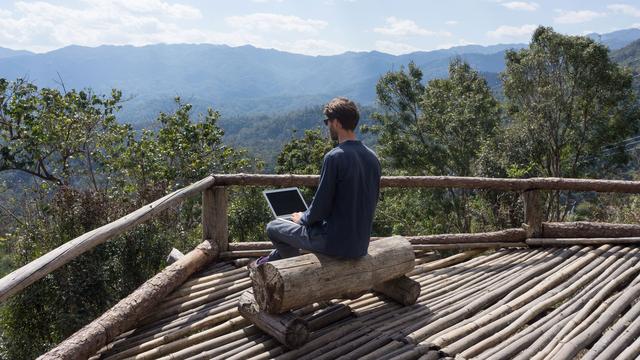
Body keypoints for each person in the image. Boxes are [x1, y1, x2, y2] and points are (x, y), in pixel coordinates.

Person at [250, 97, 381, 268]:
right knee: (291, 228)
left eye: (328, 121)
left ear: (336, 123)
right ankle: (268, 262)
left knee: (274, 227)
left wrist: (303, 218)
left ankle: (294, 272)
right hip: (359, 244)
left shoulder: (335, 157)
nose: (327, 126)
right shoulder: (373, 157)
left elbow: (321, 206)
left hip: (333, 242)